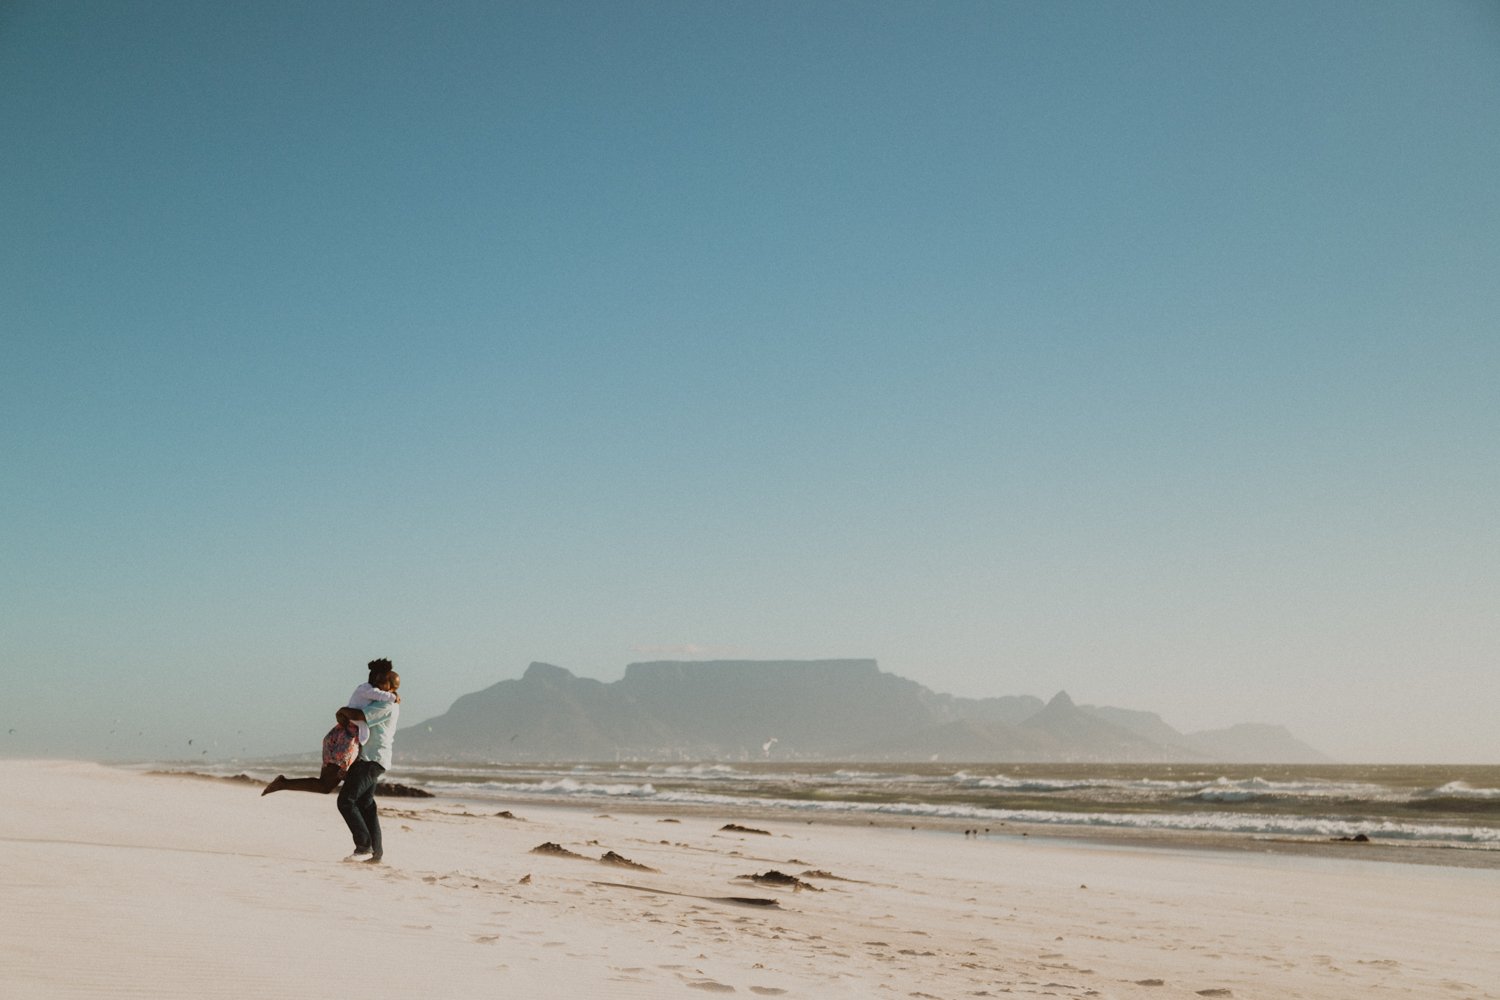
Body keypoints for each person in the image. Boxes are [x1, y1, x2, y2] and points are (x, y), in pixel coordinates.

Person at [261, 659, 400, 796]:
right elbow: (359, 713)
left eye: (384, 682)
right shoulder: (369, 691)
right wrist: (393, 696)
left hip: (344, 738)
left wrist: (342, 711)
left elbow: (354, 713)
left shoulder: (376, 698)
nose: (380, 684)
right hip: (345, 739)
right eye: (380, 680)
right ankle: (283, 783)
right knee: (327, 786)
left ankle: (283, 783)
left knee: (326, 786)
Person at [336, 669, 400, 863]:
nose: (377, 685)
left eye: (383, 682)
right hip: (371, 758)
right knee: (366, 804)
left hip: (372, 759)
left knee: (346, 801)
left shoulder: (386, 705)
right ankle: (376, 853)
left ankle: (363, 847)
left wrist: (341, 710)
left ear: (391, 687)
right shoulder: (381, 701)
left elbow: (360, 715)